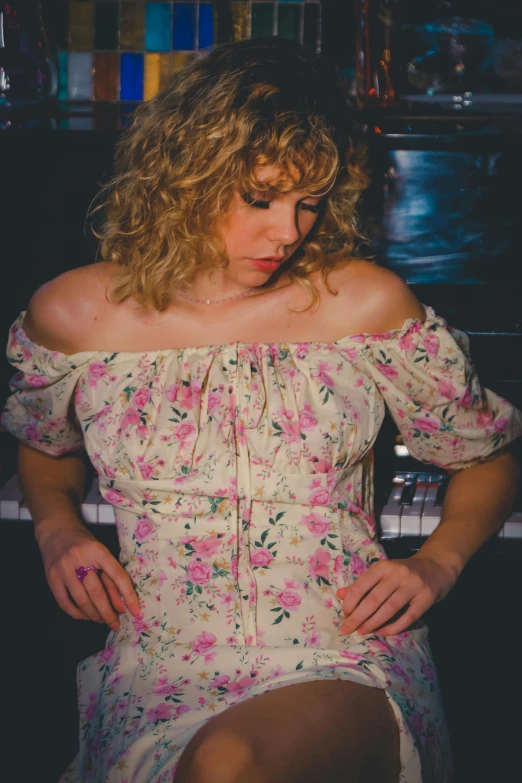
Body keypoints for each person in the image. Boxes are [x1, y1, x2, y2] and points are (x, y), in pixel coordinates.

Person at [2, 37, 521, 783]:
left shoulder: (363, 304)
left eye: (309, 203)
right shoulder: (73, 314)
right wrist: (56, 529)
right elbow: (44, 446)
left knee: (226, 765)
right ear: (185, 174)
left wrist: (437, 562)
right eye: (260, 198)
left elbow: (487, 458)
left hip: (342, 654)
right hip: (156, 665)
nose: (288, 231)